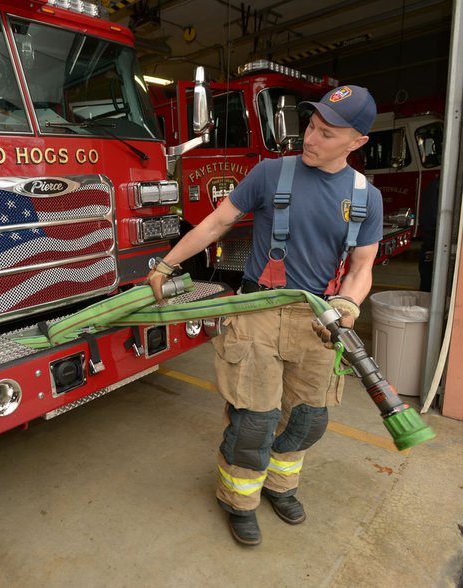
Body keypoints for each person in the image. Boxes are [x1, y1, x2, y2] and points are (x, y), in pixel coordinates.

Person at [148, 85, 383, 546]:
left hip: (318, 318)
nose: (311, 139)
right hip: (258, 309)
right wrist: (166, 263)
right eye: (311, 126)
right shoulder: (271, 173)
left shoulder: (365, 197)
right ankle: (238, 499)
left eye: (327, 134)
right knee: (254, 420)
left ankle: (280, 486)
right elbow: (217, 222)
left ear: (357, 143)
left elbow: (362, 267)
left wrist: (350, 303)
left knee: (307, 417)